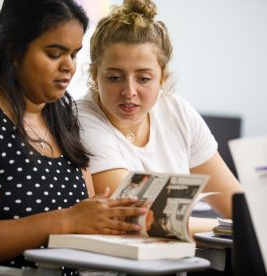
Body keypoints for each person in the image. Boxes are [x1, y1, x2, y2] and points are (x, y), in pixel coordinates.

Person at [0, 1, 146, 275]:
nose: (69, 67)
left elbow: (85, 211)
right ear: (14, 53)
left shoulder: (61, 115)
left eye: (73, 55)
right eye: (55, 54)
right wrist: (68, 220)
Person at [76, 0, 243, 234]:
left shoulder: (177, 112)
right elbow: (140, 219)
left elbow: (237, 203)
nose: (129, 91)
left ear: (162, 78)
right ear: (94, 75)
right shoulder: (81, 119)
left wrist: (248, 223)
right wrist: (237, 229)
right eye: (115, 78)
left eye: (143, 78)